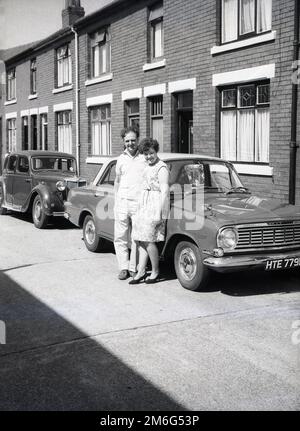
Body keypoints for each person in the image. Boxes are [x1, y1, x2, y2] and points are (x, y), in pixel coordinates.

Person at [129, 138, 170, 285]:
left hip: (155, 204)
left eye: (151, 153)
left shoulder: (161, 167)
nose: (149, 157)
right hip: (144, 204)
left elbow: (164, 190)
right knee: (141, 238)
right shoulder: (147, 166)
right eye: (145, 154)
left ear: (156, 151)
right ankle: (141, 271)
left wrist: (159, 212)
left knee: (149, 240)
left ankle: (155, 271)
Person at [114, 126, 147, 280]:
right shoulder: (120, 159)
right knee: (120, 236)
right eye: (127, 141)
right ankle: (123, 267)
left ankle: (134, 267)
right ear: (123, 141)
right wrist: (116, 201)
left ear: (137, 140)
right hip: (122, 202)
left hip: (138, 203)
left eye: (133, 140)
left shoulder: (144, 158)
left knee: (136, 237)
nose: (130, 143)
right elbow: (117, 180)